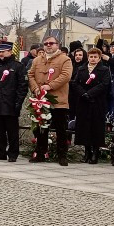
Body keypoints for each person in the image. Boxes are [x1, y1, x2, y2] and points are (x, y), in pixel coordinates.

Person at [28, 35, 74, 165]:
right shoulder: (37, 60)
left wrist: (50, 86)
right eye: (46, 43)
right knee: (41, 128)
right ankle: (41, 153)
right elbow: (30, 75)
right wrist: (35, 88)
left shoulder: (65, 60)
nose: (48, 45)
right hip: (40, 99)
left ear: (57, 45)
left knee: (61, 129)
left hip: (58, 100)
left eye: (51, 43)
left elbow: (66, 76)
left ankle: (62, 155)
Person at [0, 42, 28, 162]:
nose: (1, 54)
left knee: (12, 132)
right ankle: (0, 152)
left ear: (10, 52)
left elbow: (22, 87)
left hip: (11, 104)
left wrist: (18, 103)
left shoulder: (18, 66)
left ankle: (13, 153)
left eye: (3, 52)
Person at [71, 47, 111, 163]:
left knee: (96, 127)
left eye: (95, 57)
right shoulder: (81, 69)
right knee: (84, 127)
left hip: (97, 102)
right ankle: (87, 152)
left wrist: (90, 94)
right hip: (83, 102)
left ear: (99, 58)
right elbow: (75, 83)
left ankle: (95, 152)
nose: (93, 59)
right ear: (87, 57)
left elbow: (104, 84)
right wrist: (83, 93)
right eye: (91, 57)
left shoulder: (104, 70)